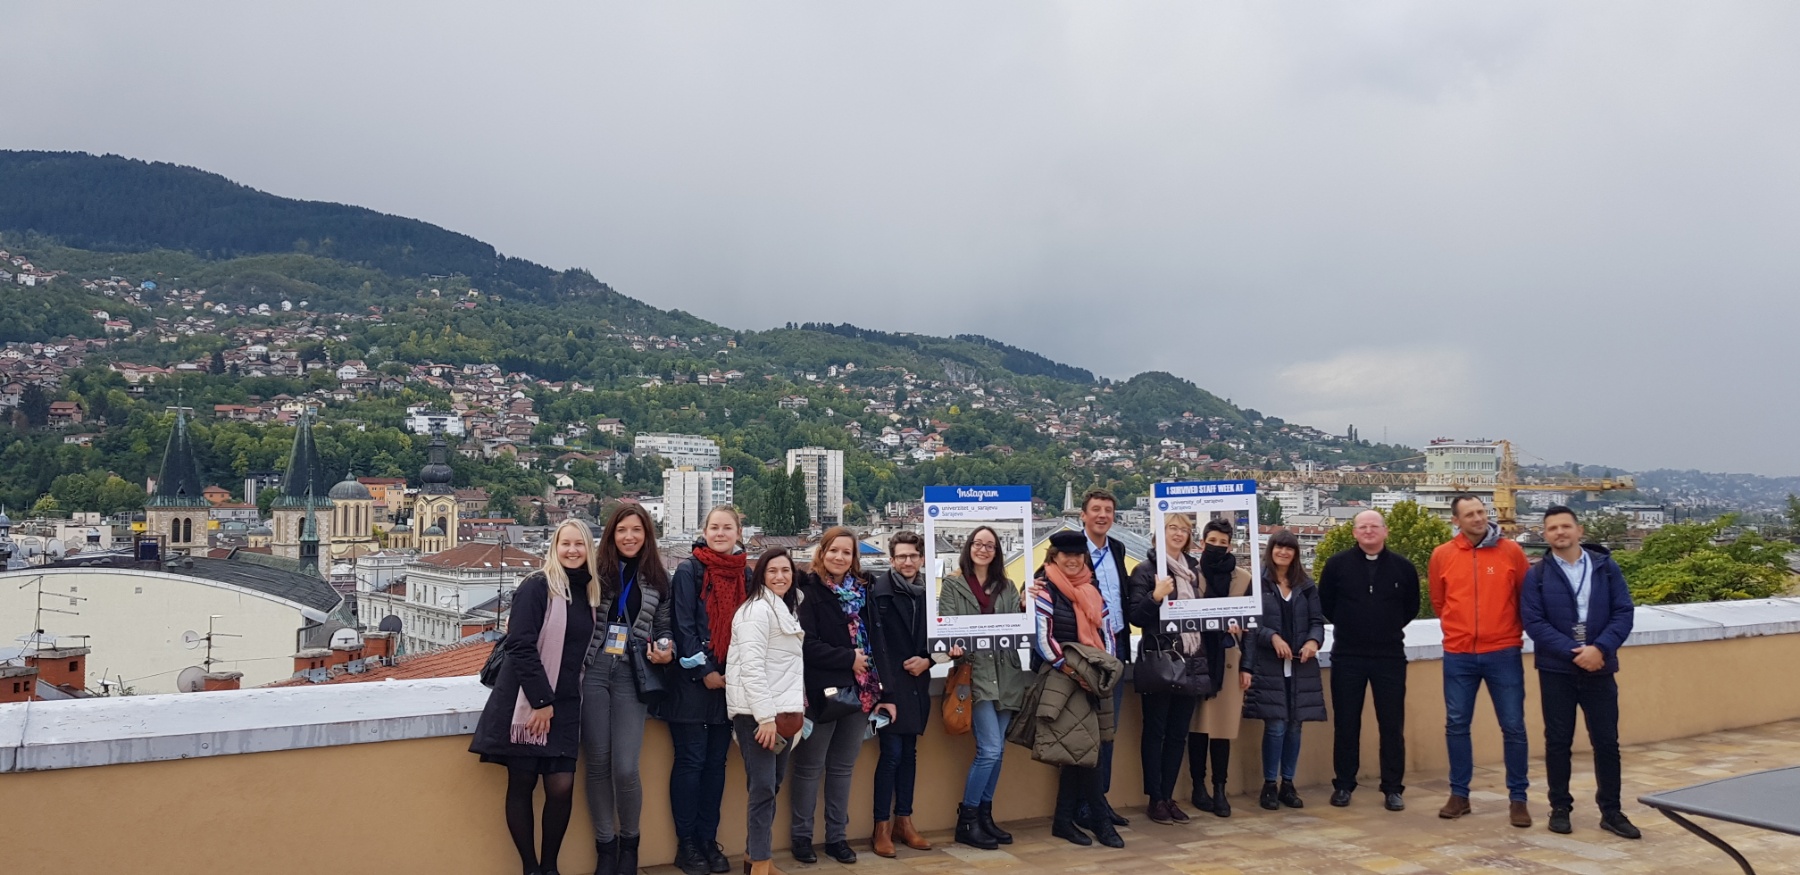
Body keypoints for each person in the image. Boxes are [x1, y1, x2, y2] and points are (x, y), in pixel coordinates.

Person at [470, 519, 600, 875]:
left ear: (589, 549)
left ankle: (550, 867)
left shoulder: (588, 592)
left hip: (567, 700)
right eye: (565, 544)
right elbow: (520, 646)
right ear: (554, 548)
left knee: (561, 787)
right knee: (523, 783)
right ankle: (531, 868)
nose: (572, 550)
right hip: (528, 700)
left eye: (579, 544)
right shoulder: (537, 586)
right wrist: (542, 702)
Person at [1521, 506, 1641, 839]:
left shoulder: (1606, 568)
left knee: (1606, 742)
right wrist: (1574, 653)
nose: (1560, 532)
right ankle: (1560, 808)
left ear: (1579, 530)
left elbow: (1623, 612)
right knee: (1558, 741)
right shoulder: (1537, 575)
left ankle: (1611, 811)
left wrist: (1599, 649)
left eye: (1565, 526)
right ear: (1545, 535)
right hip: (1556, 670)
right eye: (1552, 528)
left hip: (1600, 667)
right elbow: (1534, 622)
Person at [1428, 494, 1533, 827]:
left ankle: (1518, 798)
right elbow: (1439, 601)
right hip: (1459, 654)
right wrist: (1458, 630)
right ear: (1456, 521)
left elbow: (1525, 597)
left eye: (1481, 512)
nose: (1478, 518)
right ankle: (1459, 795)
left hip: (1502, 651)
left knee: (1513, 725)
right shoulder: (1442, 555)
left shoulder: (1511, 552)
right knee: (1457, 724)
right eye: (1469, 514)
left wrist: (1505, 631)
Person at [790, 526, 891, 866]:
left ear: (854, 558)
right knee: (809, 767)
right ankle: (802, 837)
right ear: (822, 552)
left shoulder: (863, 590)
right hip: (823, 692)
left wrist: (885, 688)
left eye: (846, 552)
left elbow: (878, 640)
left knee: (842, 768)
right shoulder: (807, 590)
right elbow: (806, 643)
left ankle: (836, 837)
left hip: (862, 690)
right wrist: (848, 658)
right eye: (833, 550)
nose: (839, 557)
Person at [583, 504, 675, 875]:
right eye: (622, 530)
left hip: (631, 673)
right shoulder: (594, 571)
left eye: (636, 530)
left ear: (647, 535)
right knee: (597, 764)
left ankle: (630, 845)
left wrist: (666, 646)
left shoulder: (658, 577)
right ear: (611, 534)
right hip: (593, 670)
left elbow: (664, 626)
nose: (629, 537)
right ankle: (605, 847)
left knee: (624, 767)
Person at [659, 505, 749, 875]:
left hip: (729, 686)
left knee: (715, 765)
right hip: (691, 685)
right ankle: (687, 844)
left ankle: (708, 840)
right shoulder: (689, 570)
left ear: (738, 532)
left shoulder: (746, 573)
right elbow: (683, 625)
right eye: (714, 527)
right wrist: (705, 671)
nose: (720, 533)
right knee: (691, 761)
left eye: (727, 527)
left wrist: (732, 673)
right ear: (704, 531)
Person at [1318, 510, 1419, 812]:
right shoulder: (1337, 566)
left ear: (1386, 531)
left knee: (1391, 725)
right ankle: (1344, 784)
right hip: (1348, 655)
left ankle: (1393, 788)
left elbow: (1411, 607)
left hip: (1389, 656)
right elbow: (1326, 604)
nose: (1369, 531)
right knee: (1346, 723)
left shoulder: (1403, 567)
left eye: (1374, 526)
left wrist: (1385, 627)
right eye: (1362, 527)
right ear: (1354, 533)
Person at [1031, 529, 1126, 848]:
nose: (1072, 560)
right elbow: (1043, 639)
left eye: (1077, 555)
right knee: (1087, 750)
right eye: (1065, 555)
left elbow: (1108, 631)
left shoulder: (1092, 588)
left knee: (1078, 751)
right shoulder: (1043, 588)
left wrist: (1101, 669)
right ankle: (1100, 820)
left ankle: (1063, 820)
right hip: (1063, 679)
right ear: (1054, 557)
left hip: (1092, 679)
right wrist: (1072, 670)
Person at [938, 525, 1027, 850]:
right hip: (974, 674)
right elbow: (947, 626)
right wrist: (953, 646)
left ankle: (985, 817)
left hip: (1006, 675)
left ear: (997, 551)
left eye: (990, 545)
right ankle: (968, 820)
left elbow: (1016, 628)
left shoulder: (1008, 586)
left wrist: (1024, 610)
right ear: (969, 547)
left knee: (998, 750)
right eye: (978, 543)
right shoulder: (953, 584)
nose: (983, 549)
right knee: (989, 749)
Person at [727, 548, 808, 875]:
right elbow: (752, 669)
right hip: (759, 717)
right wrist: (765, 718)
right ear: (760, 575)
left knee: (770, 786)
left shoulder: (787, 608)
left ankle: (756, 857)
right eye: (772, 571)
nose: (780, 576)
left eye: (785, 570)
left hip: (783, 716)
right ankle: (760, 863)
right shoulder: (756, 611)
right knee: (762, 788)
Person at [1126, 513, 1205, 825]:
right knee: (1155, 731)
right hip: (1160, 660)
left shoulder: (1194, 571)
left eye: (1184, 529)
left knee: (1177, 734)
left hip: (1190, 658)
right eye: (1172, 527)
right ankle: (1155, 798)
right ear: (1159, 533)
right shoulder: (1145, 570)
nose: (1178, 533)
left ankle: (1169, 796)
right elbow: (1136, 616)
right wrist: (1155, 596)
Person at [1241, 528, 1327, 811]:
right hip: (1270, 666)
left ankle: (1288, 783)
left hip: (1301, 667)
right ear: (1271, 550)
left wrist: (1313, 641)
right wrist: (1273, 638)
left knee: (1295, 726)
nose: (1283, 552)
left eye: (1289, 548)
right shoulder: (1258, 584)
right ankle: (1269, 784)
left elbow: (1317, 621)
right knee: (1276, 726)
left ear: (1296, 553)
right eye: (1279, 547)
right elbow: (1250, 624)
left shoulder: (1306, 585)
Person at [868, 531, 934, 857]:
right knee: (891, 754)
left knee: (909, 754)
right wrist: (884, 691)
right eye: (902, 556)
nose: (908, 561)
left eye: (913, 556)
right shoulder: (878, 593)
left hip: (918, 683)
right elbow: (874, 644)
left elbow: (940, 637)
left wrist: (928, 660)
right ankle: (881, 827)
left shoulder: (928, 594)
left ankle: (904, 821)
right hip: (890, 686)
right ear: (892, 560)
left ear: (921, 559)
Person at [1185, 517, 1253, 817]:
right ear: (1202, 543)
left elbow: (1252, 626)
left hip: (1228, 660)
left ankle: (1220, 789)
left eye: (1222, 543)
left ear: (1230, 546)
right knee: (1197, 728)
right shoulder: (1189, 575)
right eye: (1211, 541)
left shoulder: (1244, 578)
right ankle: (1198, 787)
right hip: (1198, 659)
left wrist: (1247, 666)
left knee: (1222, 729)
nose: (1216, 547)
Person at [1078, 489, 1133, 827]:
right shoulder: (1072, 548)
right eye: (1096, 509)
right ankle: (1083, 805)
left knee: (1109, 731)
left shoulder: (1118, 548)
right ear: (1083, 515)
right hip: (1089, 652)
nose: (1102, 515)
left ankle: (1101, 799)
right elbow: (1043, 580)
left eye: (1108, 510)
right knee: (1085, 732)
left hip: (1118, 649)